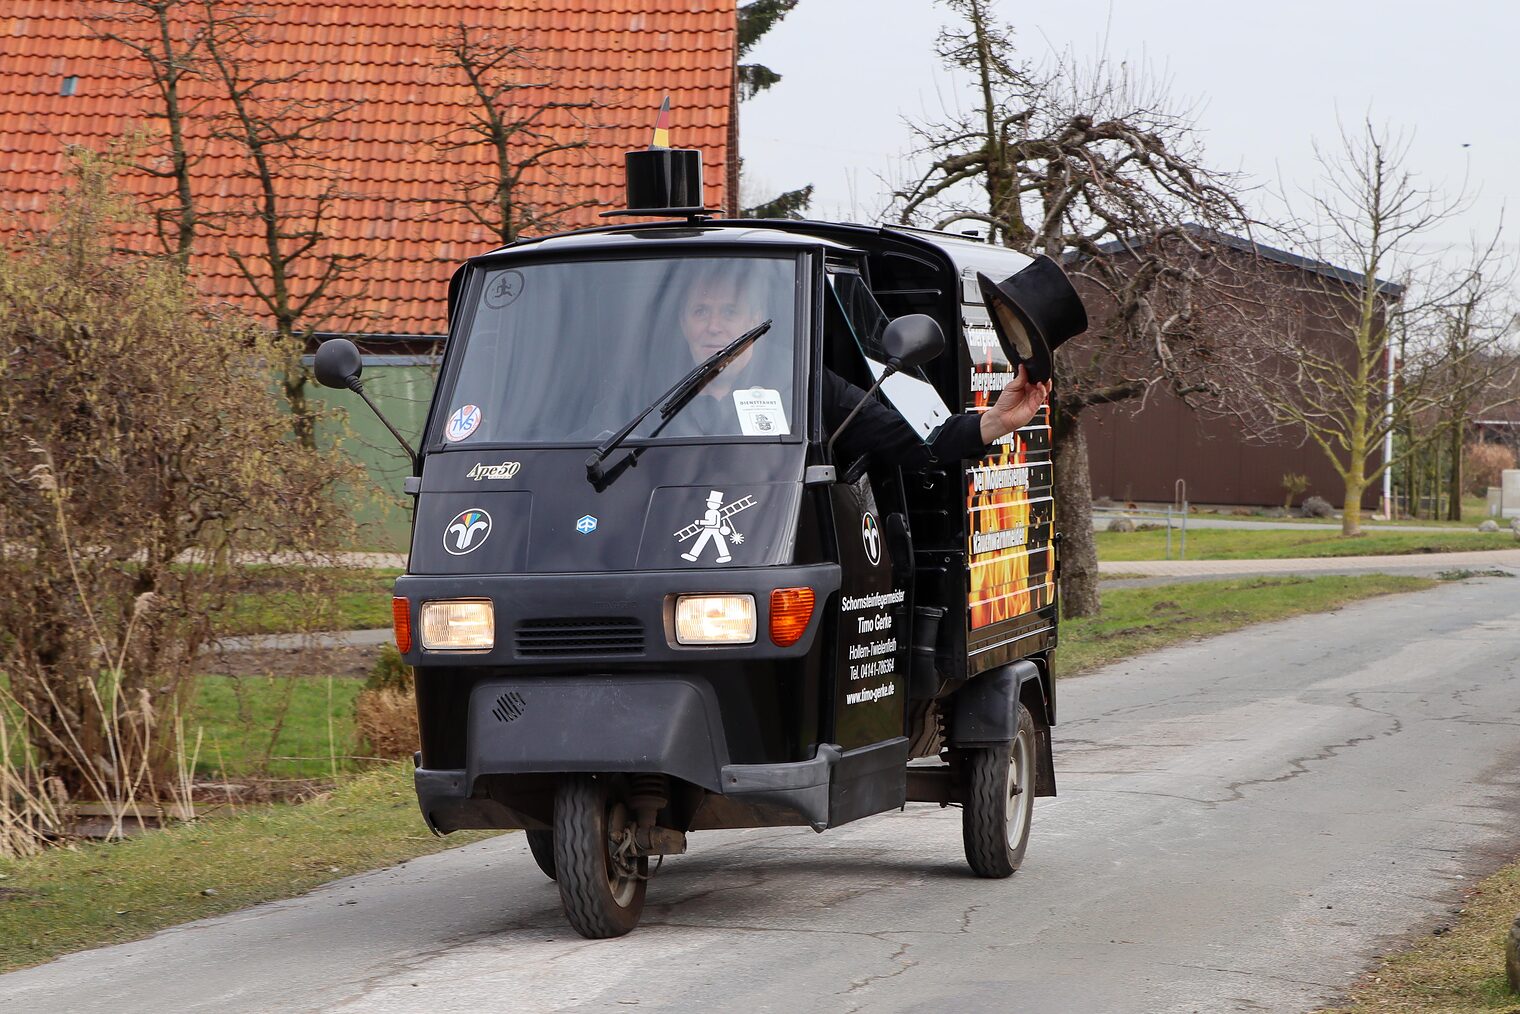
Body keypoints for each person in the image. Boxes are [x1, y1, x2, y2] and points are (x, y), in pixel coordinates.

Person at [675, 262, 1052, 468]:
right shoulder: (645, 390)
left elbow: (912, 438)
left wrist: (994, 422)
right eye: (700, 311)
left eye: (729, 311)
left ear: (755, 320)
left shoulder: (801, 384)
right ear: (682, 321)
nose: (713, 326)